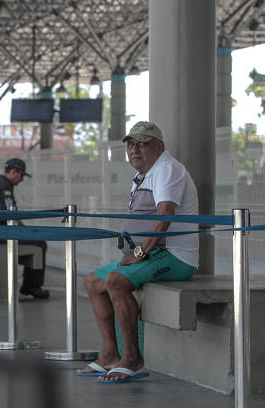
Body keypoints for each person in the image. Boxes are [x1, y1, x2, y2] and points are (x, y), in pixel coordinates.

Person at [77, 121, 199, 383]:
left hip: (175, 256)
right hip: (152, 254)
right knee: (93, 282)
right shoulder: (145, 174)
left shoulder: (167, 169)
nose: (135, 150)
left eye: (143, 144)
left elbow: (165, 212)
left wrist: (141, 254)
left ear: (159, 146)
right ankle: (110, 354)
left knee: (116, 282)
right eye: (131, 144)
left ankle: (132, 357)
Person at [0, 157, 49, 299]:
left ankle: (30, 285)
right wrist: (26, 231)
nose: (22, 179)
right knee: (39, 243)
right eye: (22, 175)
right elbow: (10, 214)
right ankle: (32, 287)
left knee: (35, 239)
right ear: (14, 171)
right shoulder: (4, 187)